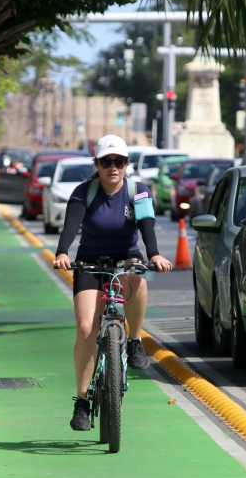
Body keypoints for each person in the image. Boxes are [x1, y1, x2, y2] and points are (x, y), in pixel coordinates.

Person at [52, 134, 173, 431]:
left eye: (119, 161)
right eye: (106, 162)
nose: (113, 167)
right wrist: (62, 252)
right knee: (85, 329)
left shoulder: (138, 191)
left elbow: (147, 225)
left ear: (127, 164)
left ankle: (135, 341)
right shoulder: (84, 192)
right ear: (97, 164)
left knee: (139, 275)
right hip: (90, 261)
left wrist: (155, 254)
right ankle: (81, 401)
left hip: (126, 256)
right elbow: (70, 226)